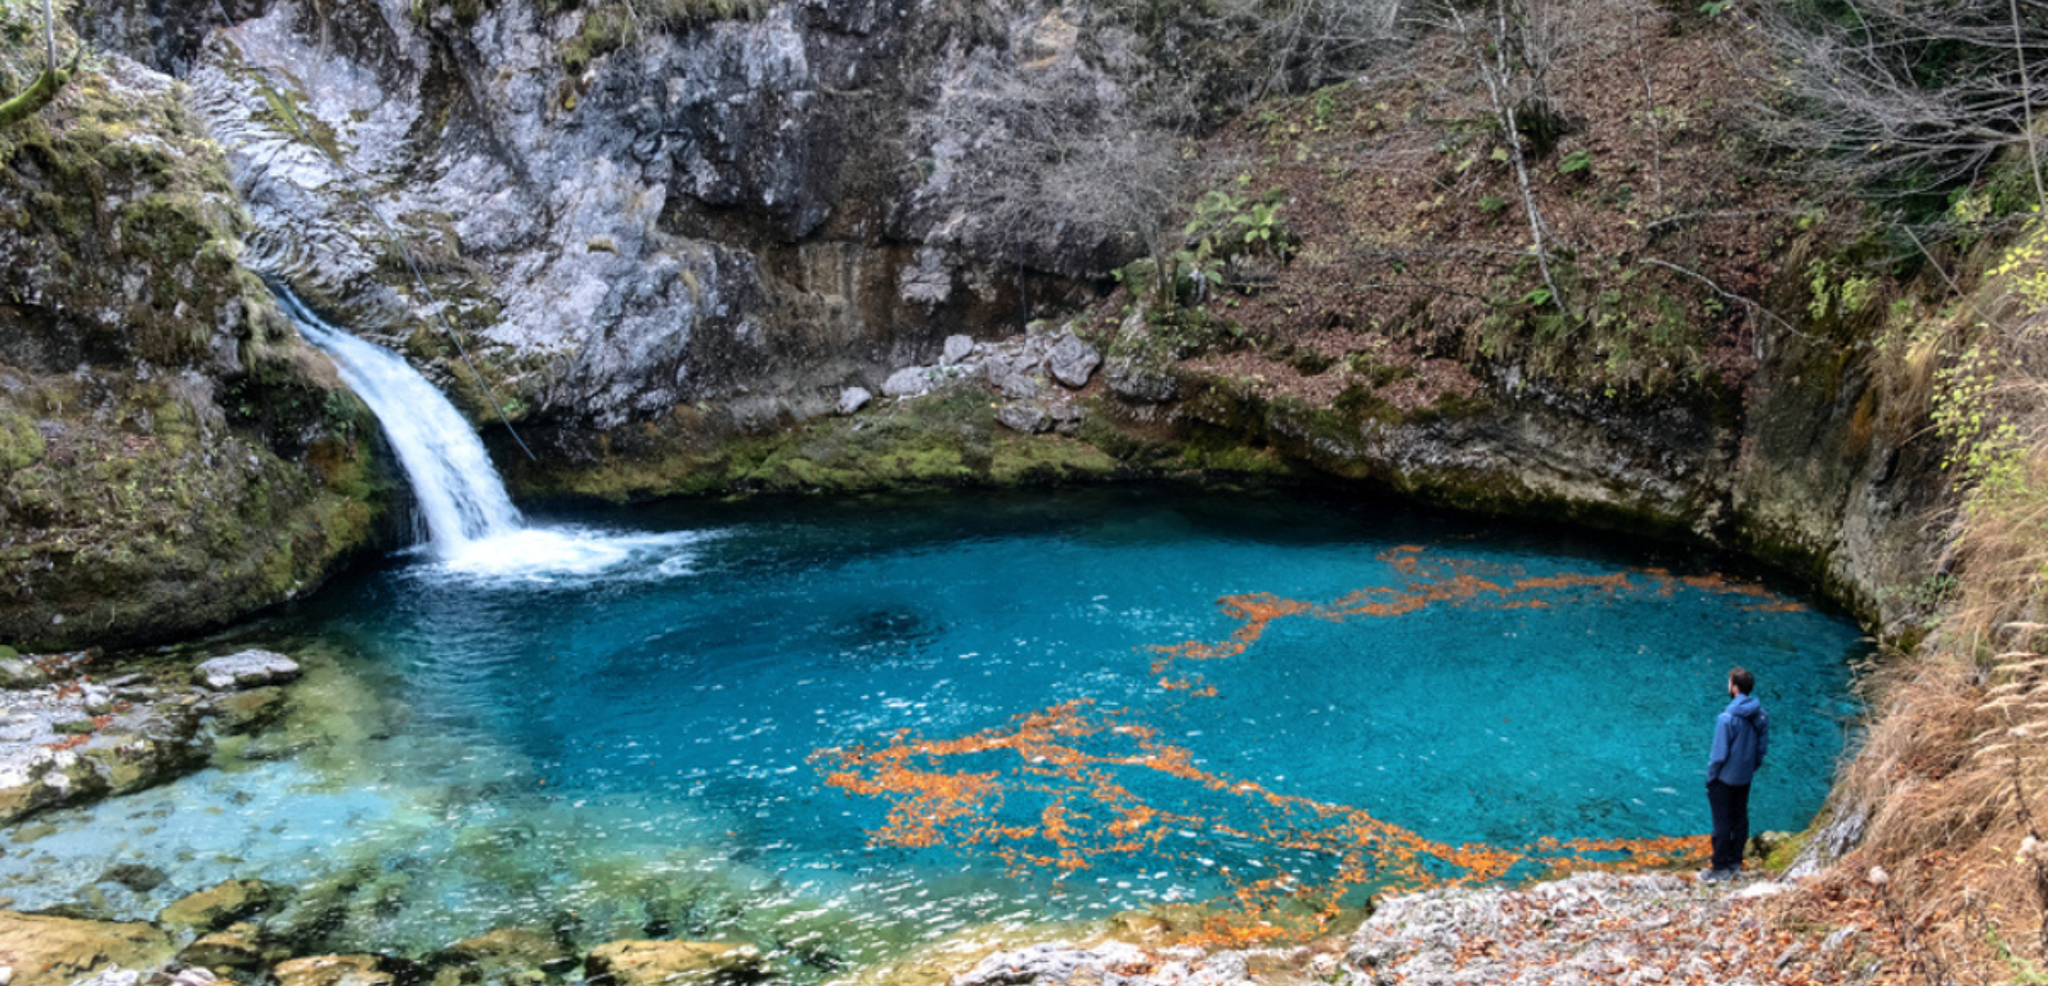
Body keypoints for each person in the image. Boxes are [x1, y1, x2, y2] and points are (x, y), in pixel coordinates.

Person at [1702, 666, 1768, 882]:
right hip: (1745, 776)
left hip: (1724, 778)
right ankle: (1735, 862)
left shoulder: (1727, 717)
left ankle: (1718, 867)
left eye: (1729, 682)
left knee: (1721, 821)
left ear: (1735, 687)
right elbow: (1761, 749)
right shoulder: (1761, 715)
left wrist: (1711, 777)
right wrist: (1750, 768)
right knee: (1740, 819)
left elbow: (1719, 754)